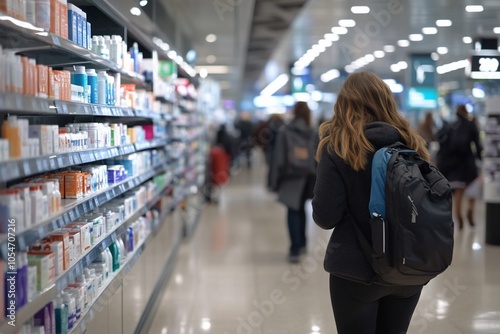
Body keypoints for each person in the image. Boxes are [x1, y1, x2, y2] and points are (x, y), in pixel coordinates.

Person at [312, 72, 430, 334]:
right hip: (408, 267)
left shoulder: (338, 147)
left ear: (344, 105)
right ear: (387, 102)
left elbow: (325, 217)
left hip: (356, 270)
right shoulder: (413, 144)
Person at [269, 102, 316, 263]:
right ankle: (302, 243)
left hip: (291, 176)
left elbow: (278, 158)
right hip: (309, 175)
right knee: (302, 209)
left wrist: (274, 181)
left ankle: (294, 249)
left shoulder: (286, 132)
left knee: (292, 211)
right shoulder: (313, 132)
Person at [437, 105, 482, 229]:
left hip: (455, 165)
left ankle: (459, 218)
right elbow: (477, 144)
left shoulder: (451, 126)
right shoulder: (471, 124)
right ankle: (470, 211)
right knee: (472, 188)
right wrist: (480, 157)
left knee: (458, 193)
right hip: (469, 163)